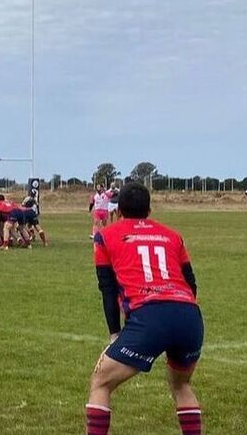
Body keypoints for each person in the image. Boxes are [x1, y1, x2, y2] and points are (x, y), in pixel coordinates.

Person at [86, 182, 203, 435]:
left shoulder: (105, 235)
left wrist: (114, 334)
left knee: (101, 382)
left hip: (150, 316)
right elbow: (191, 283)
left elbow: (107, 288)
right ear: (149, 210)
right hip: (189, 315)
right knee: (181, 385)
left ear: (119, 210)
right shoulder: (172, 235)